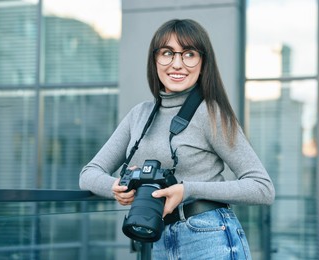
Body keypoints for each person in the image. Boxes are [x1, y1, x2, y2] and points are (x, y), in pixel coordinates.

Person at [79, 19, 275, 259]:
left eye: (189, 54)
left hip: (209, 238)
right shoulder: (139, 115)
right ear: (155, 61)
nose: (177, 64)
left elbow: (262, 188)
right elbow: (88, 174)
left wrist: (187, 189)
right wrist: (116, 188)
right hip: (156, 240)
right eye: (167, 53)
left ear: (203, 63)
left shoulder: (211, 114)